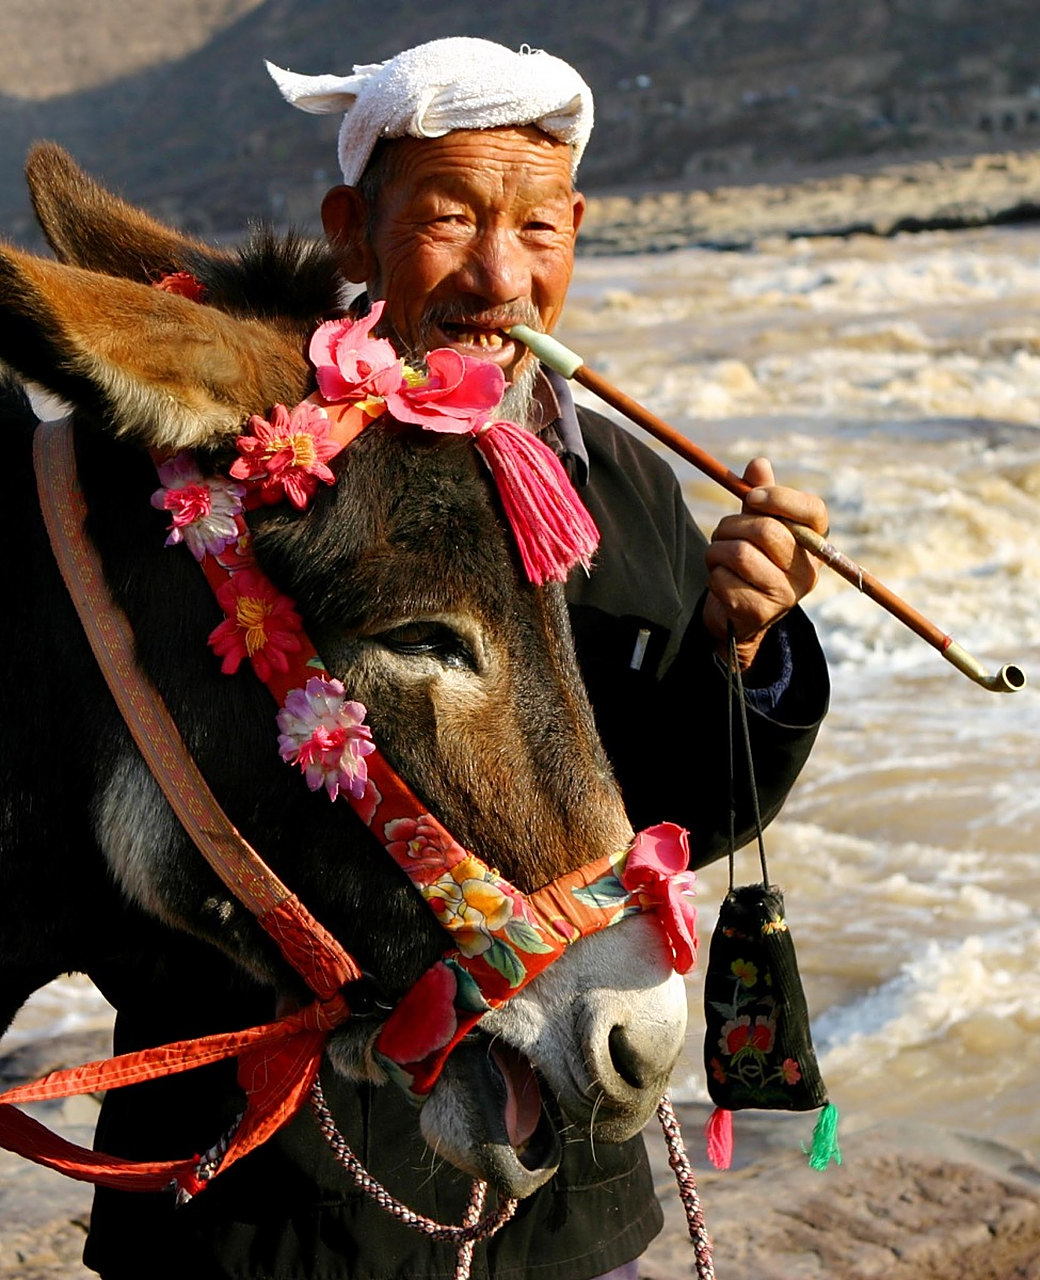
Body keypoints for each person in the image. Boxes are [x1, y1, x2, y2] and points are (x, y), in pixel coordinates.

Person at [83, 37, 830, 1280]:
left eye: (537, 227)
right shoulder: (230, 472)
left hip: (558, 1193)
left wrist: (741, 649)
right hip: (269, 1200)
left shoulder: (619, 486)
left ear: (575, 232)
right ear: (350, 231)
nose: (499, 275)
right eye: (448, 217)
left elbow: (672, 817)